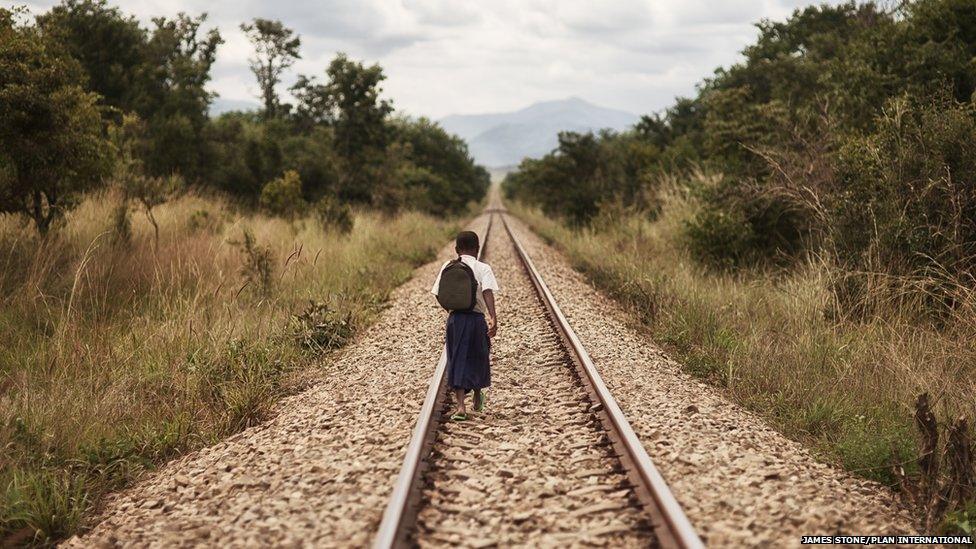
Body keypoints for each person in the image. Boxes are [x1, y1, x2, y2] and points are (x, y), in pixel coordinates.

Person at [431, 231, 499, 421]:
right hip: (477, 319)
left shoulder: (448, 266)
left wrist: (450, 308)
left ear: (456, 250)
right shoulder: (483, 267)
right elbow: (487, 293)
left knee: (457, 359)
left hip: (456, 319)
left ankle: (461, 407)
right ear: (477, 249)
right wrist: (493, 317)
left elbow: (438, 293)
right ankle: (477, 393)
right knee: (479, 355)